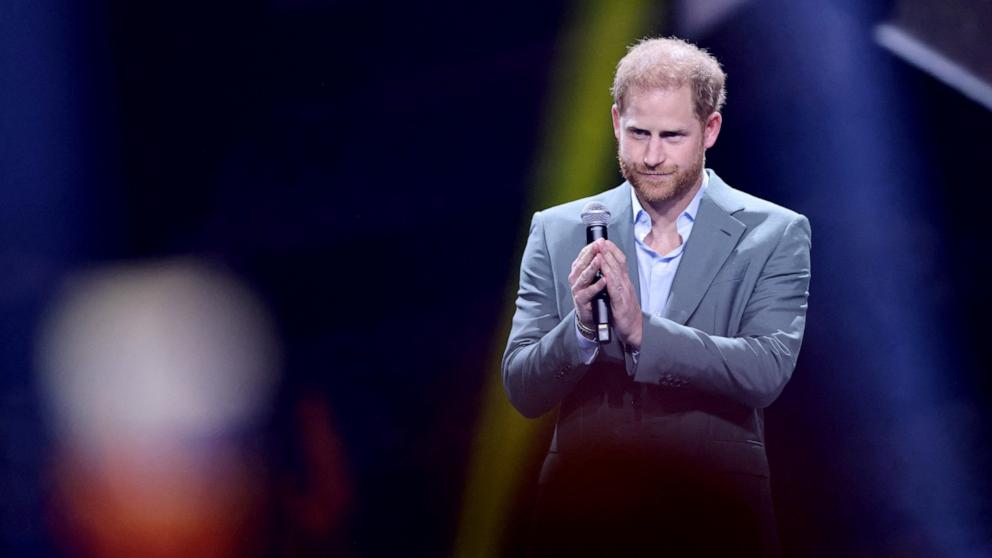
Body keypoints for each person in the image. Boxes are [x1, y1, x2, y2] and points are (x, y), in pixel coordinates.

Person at [502, 37, 811, 557]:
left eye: (672, 136)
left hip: (714, 516)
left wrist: (643, 330)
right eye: (639, 133)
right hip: (585, 518)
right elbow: (522, 387)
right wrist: (578, 328)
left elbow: (765, 371)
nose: (651, 155)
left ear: (709, 129)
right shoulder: (558, 230)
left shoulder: (773, 232)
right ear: (616, 120)